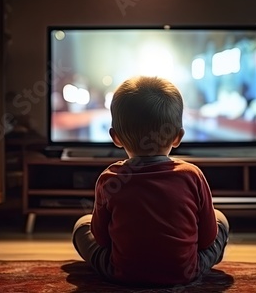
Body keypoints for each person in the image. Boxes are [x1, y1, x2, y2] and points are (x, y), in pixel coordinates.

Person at [71, 76, 230, 287]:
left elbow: (101, 239)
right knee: (221, 219)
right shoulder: (193, 175)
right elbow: (208, 239)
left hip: (122, 273)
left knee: (82, 225)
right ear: (178, 136)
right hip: (185, 272)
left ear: (115, 137)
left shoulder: (110, 179)